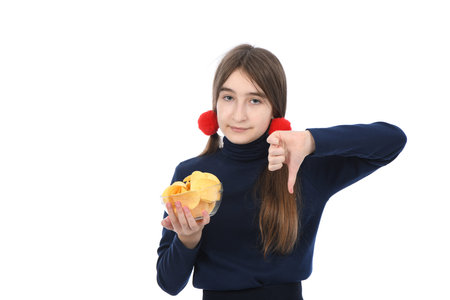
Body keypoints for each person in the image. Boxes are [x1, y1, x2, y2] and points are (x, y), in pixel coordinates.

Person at [156, 44, 407, 300]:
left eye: (255, 100)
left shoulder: (301, 167)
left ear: (275, 108)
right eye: (228, 97)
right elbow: (168, 283)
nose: (238, 115)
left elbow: (392, 141)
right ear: (215, 103)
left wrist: (310, 141)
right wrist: (188, 239)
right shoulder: (190, 176)